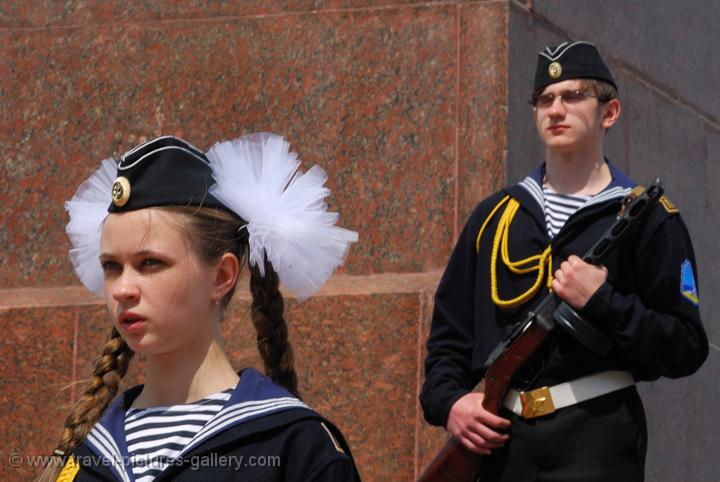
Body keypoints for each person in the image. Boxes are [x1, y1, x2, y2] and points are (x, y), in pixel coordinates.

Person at [420, 41, 708, 481]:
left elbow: (685, 345)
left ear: (609, 113)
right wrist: (451, 402)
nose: (556, 109)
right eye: (545, 99)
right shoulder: (497, 216)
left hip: (598, 439)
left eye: (573, 96)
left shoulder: (646, 217)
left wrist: (603, 301)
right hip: (503, 444)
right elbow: (449, 338)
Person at [39, 133, 361, 482]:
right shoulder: (86, 457)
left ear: (222, 275)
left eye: (150, 263)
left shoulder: (295, 447)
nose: (123, 289)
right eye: (112, 267)